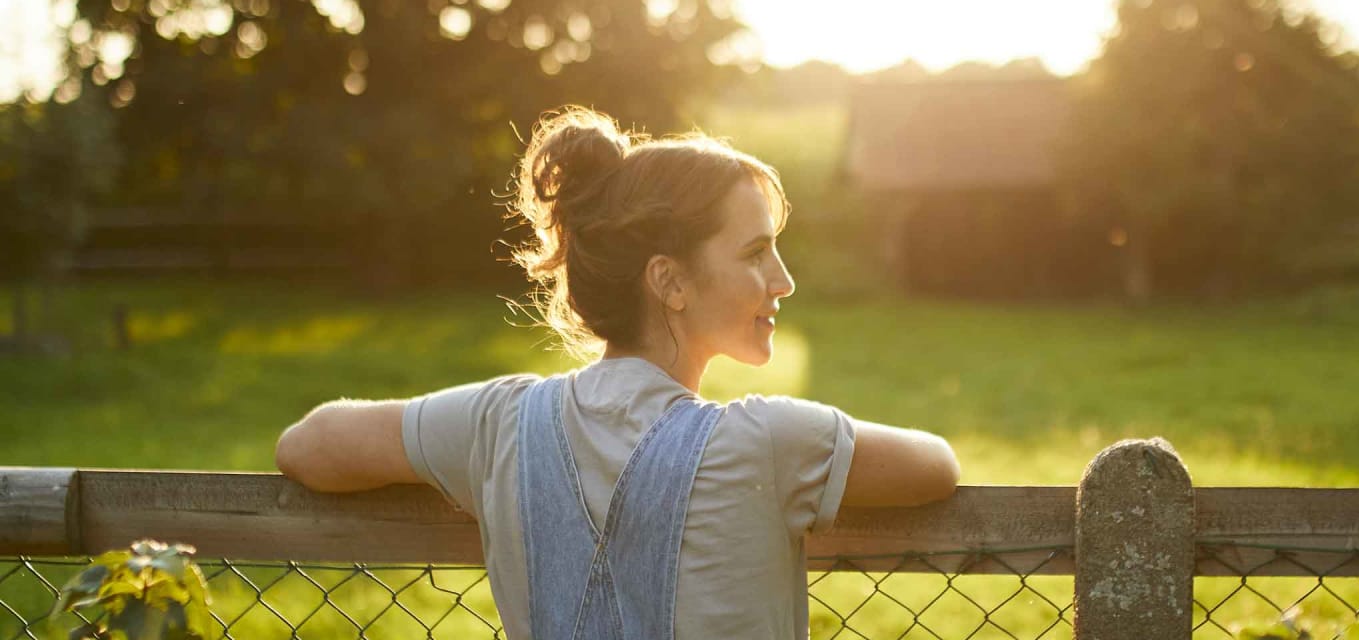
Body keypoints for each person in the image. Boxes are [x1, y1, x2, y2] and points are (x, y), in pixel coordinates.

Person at [273, 105, 961, 639]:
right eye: (755, 252)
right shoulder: (771, 443)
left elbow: (309, 444)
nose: (782, 280)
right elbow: (937, 466)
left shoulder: (496, 423)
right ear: (671, 282)